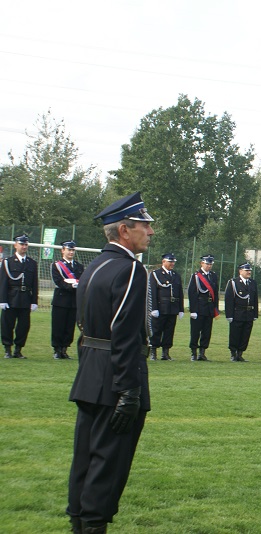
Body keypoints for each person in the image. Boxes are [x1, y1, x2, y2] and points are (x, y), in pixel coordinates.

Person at [66, 192, 154, 533]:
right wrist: (129, 390)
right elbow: (126, 333)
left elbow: (84, 325)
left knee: (85, 459)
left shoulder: (95, 266)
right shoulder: (130, 269)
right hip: (116, 378)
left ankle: (79, 522)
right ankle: (92, 525)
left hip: (90, 371)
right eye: (144, 226)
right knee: (109, 463)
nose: (150, 232)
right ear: (124, 230)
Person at [0, 234, 38, 359]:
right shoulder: (8, 262)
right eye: (21, 244)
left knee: (23, 326)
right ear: (15, 245)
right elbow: (3, 282)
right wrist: (2, 300)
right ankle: (7, 349)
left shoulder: (32, 263)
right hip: (11, 297)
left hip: (25, 298)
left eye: (26, 244)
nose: (24, 247)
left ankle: (18, 349)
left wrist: (34, 301)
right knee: (7, 325)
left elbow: (34, 284)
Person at [147, 252, 184, 361]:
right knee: (156, 329)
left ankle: (165, 353)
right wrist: (154, 308)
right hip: (161, 307)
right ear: (163, 262)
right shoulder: (156, 274)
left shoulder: (176, 275)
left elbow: (180, 293)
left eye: (173, 262)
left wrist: (181, 309)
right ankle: (153, 351)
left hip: (173, 307)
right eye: (170, 261)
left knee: (169, 331)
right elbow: (152, 292)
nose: (172, 264)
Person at [51, 240, 84, 360]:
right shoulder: (56, 265)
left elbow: (82, 280)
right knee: (58, 326)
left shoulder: (79, 266)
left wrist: (76, 285)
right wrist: (71, 286)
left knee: (69, 327)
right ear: (63, 250)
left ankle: (64, 349)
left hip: (73, 301)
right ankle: (57, 350)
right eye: (69, 250)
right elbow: (58, 281)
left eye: (73, 250)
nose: (71, 252)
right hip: (61, 300)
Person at [188, 255, 219, 361]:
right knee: (195, 331)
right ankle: (193, 352)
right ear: (202, 263)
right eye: (207, 264)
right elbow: (192, 294)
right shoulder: (196, 276)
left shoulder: (213, 276)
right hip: (199, 307)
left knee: (206, 332)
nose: (209, 266)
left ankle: (202, 352)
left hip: (209, 307)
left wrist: (215, 308)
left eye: (210, 264)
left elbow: (215, 293)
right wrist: (193, 310)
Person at [224, 263, 258, 362]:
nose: (249, 272)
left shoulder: (252, 283)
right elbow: (229, 300)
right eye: (246, 270)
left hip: (249, 313)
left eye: (250, 270)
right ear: (240, 271)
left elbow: (255, 299)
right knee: (235, 334)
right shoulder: (233, 282)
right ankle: (233, 353)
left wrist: (255, 313)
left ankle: (240, 354)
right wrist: (229, 315)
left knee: (245, 334)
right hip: (238, 312)